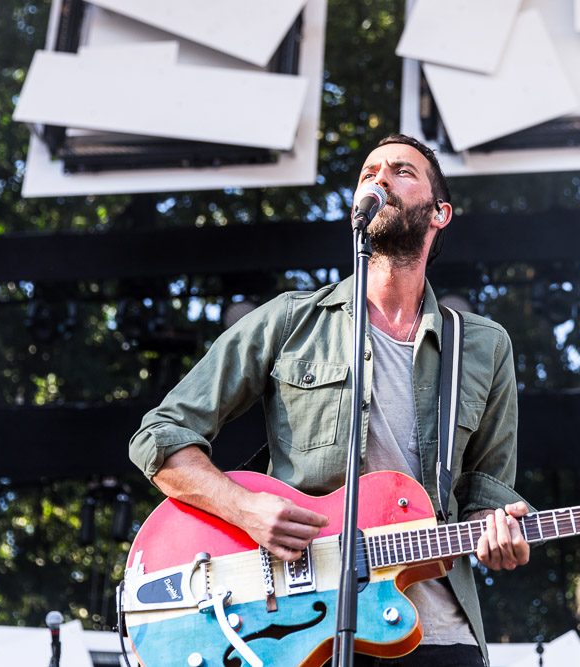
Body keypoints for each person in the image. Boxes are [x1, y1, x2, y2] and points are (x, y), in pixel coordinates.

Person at [129, 134, 531, 667]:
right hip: (299, 630)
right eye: (369, 172)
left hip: (437, 635)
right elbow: (160, 436)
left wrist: (501, 532)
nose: (380, 178)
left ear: (440, 214)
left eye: (402, 171)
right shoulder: (289, 320)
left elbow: (488, 496)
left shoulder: (482, 345)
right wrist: (244, 508)